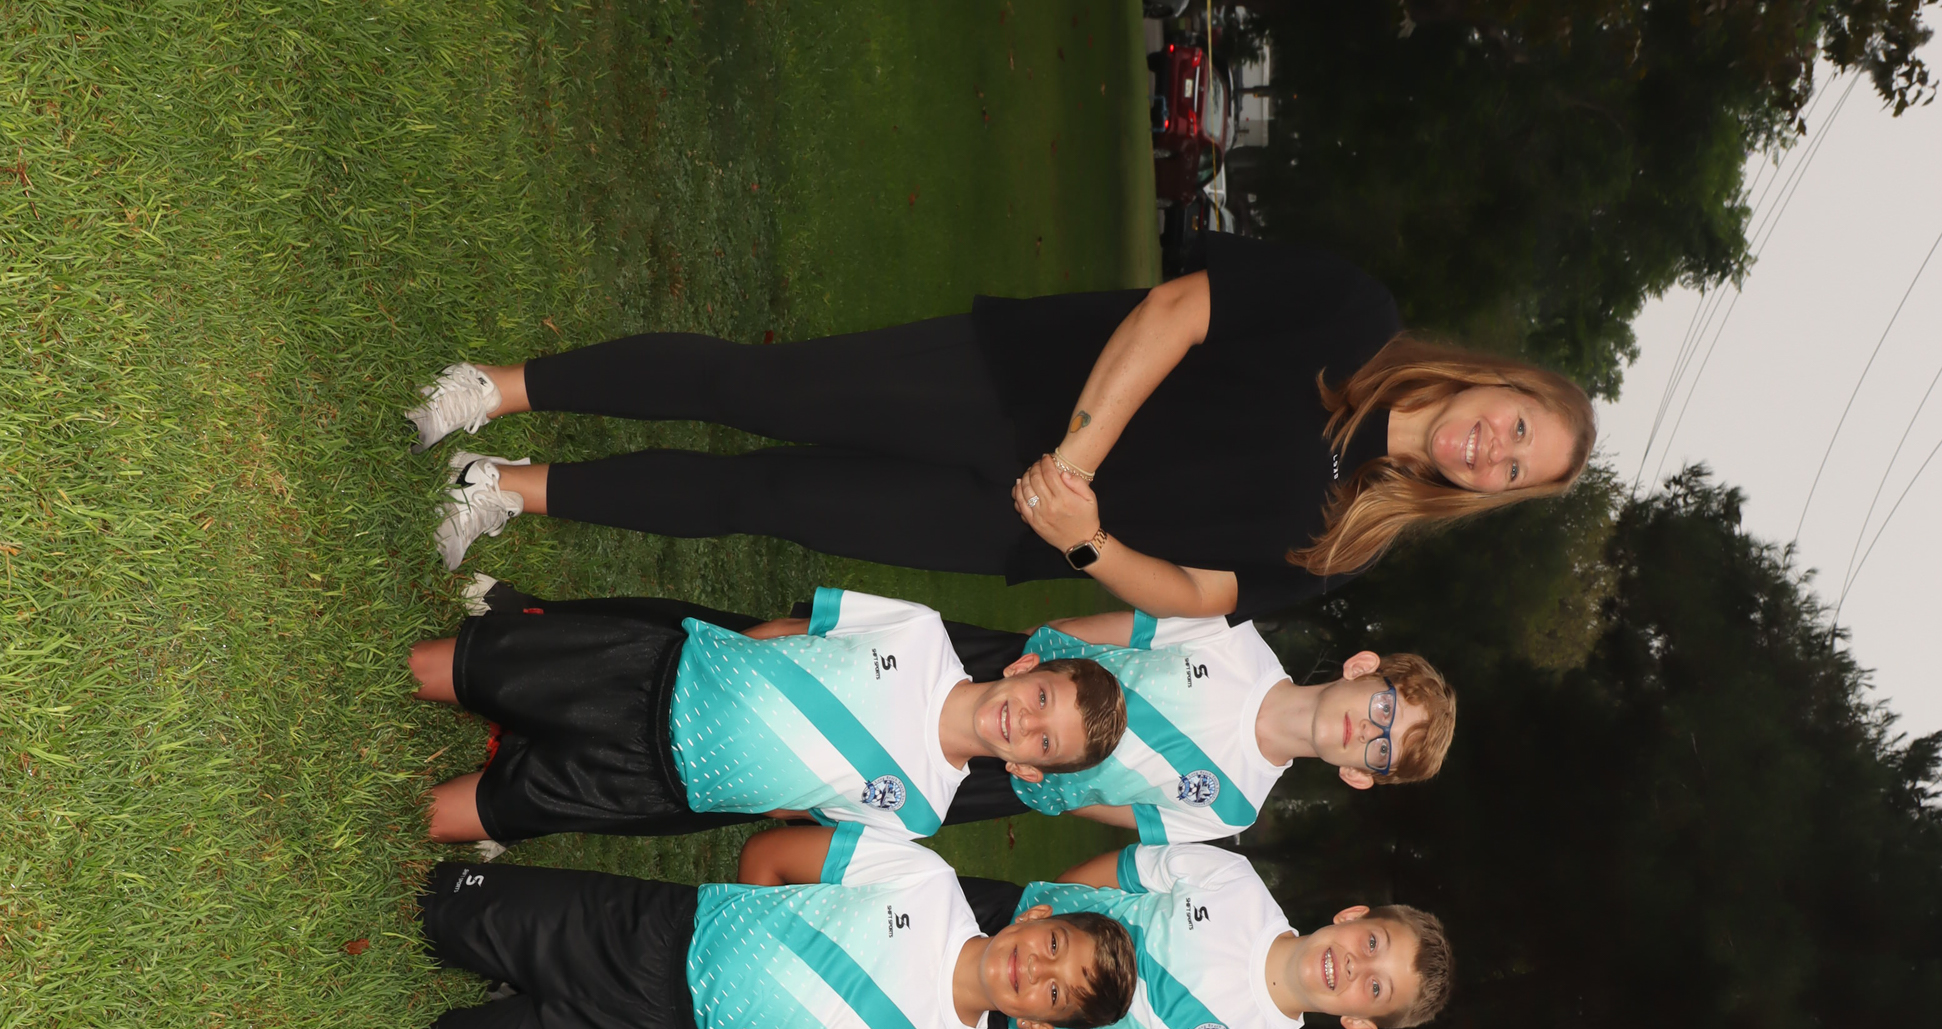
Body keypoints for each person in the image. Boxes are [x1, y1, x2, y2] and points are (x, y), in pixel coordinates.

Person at [401, 238, 1596, 620]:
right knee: (751, 391)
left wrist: (1084, 538)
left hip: (1016, 524)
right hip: (1013, 384)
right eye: (1513, 427)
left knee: (763, 501)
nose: (1489, 452)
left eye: (1511, 471)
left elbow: (1199, 595)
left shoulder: (1352, 542)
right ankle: (494, 387)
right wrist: (1075, 456)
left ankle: (504, 486)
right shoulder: (1355, 318)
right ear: (1500, 384)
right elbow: (1175, 312)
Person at [413, 826, 1134, 1029]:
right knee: (428, 904)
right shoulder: (927, 880)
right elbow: (773, 854)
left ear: (1037, 1025)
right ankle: (509, 970)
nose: (1037, 969)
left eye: (1055, 993)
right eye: (1055, 945)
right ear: (1036, 915)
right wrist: (740, 944)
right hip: (645, 930)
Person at [409, 582, 1126, 850]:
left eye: (1044, 742)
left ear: (1029, 771)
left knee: (441, 818)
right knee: (437, 669)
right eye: (1043, 699)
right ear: (1025, 667)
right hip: (645, 673)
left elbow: (799, 811)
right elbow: (794, 630)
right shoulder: (920, 633)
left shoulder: (921, 812)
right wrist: (720, 672)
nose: (1026, 722)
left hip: (653, 783)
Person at [1002, 843, 1453, 1029]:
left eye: (1376, 989)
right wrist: (1038, 912)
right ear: (1352, 916)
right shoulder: (1236, 882)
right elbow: (1120, 872)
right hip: (1012, 933)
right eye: (1372, 943)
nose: (1357, 965)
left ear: (1358, 1022)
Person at [980, 610, 1453, 845]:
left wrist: (1047, 787)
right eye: (1385, 710)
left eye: (1383, 750)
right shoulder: (1231, 636)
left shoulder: (1234, 811)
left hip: (1021, 781)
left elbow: (1112, 808)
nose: (1371, 731)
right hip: (1008, 680)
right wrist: (1014, 659)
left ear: (1359, 775)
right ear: (1361, 668)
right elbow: (1082, 632)